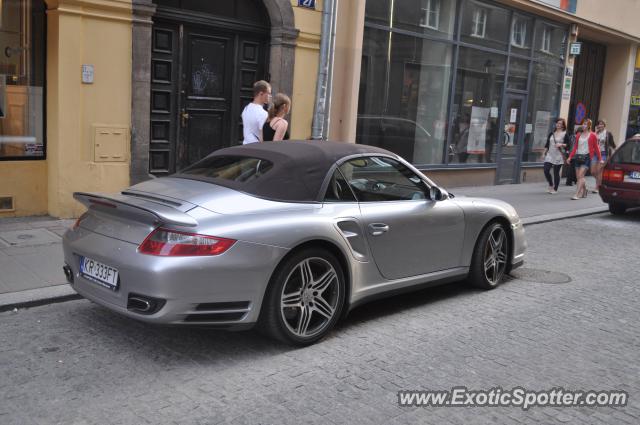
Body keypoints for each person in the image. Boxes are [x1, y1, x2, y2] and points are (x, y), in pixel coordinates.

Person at [566, 119, 602, 200]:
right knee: (579, 177)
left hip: (587, 157)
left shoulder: (593, 135)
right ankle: (585, 190)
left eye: (585, 124)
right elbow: (575, 147)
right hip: (578, 157)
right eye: (583, 124)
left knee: (580, 175)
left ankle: (577, 194)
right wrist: (570, 157)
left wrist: (600, 159)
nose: (583, 125)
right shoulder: (579, 134)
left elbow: (596, 148)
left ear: (589, 125)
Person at [543, 118, 569, 194]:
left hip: (559, 155)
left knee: (556, 172)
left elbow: (568, 145)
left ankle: (555, 189)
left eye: (560, 123)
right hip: (550, 154)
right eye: (557, 123)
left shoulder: (565, 134)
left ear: (563, 125)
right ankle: (551, 184)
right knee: (546, 170)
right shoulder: (552, 133)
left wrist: (561, 144)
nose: (558, 125)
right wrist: (543, 153)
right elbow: (547, 144)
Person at [241, 80, 271, 145]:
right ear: (261, 94)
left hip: (245, 146)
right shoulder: (263, 113)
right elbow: (262, 137)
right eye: (268, 93)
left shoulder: (246, 108)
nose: (270, 96)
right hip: (256, 149)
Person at [591, 119, 616, 192]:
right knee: (593, 171)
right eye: (599, 124)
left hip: (603, 154)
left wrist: (615, 152)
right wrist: (595, 132)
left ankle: (597, 187)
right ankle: (601, 182)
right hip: (595, 154)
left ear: (604, 125)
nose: (600, 125)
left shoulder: (608, 134)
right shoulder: (595, 133)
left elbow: (612, 144)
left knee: (599, 171)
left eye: (602, 124)